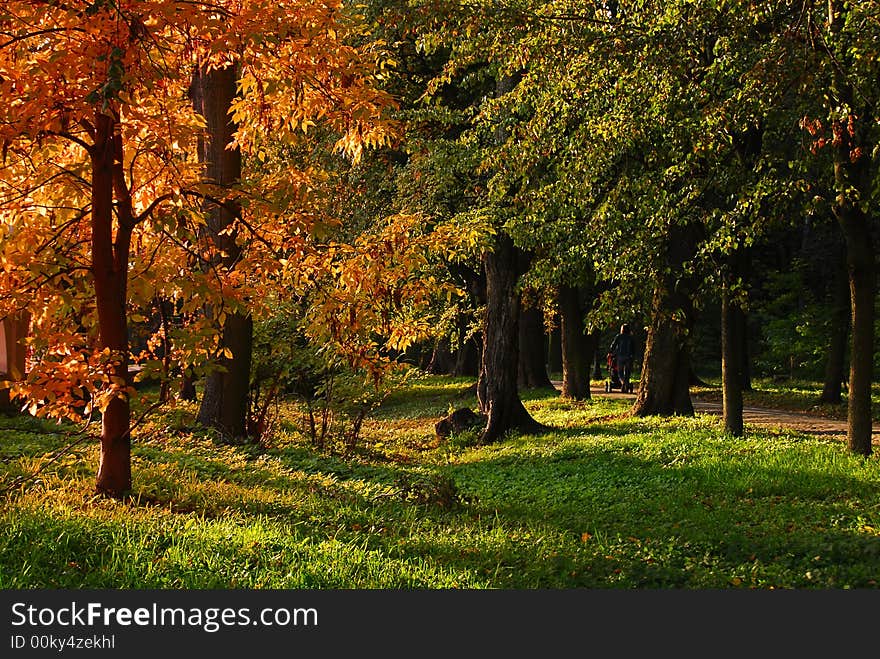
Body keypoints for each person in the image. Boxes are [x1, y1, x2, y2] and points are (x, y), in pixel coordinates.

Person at [609, 324, 635, 393]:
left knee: (620, 372)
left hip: (620, 356)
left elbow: (613, 345)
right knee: (627, 372)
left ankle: (623, 382)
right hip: (629, 357)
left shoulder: (619, 336)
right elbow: (633, 348)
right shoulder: (631, 337)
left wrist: (611, 351)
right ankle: (626, 384)